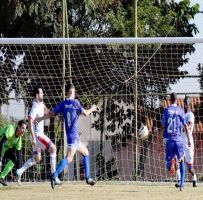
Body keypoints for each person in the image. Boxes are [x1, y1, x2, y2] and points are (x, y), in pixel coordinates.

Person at [36, 83, 97, 189]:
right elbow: (86, 113)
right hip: (73, 136)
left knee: (86, 152)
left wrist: (40, 118)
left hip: (72, 136)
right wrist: (92, 108)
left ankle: (88, 178)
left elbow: (51, 113)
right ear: (72, 92)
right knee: (68, 158)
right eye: (74, 92)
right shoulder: (76, 102)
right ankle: (54, 175)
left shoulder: (63, 104)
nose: (75, 93)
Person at [16, 86, 61, 185]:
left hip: (36, 136)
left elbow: (47, 112)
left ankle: (20, 171)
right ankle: (54, 176)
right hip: (37, 135)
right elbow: (29, 122)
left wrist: (57, 110)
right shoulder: (35, 106)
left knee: (37, 159)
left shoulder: (41, 103)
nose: (43, 94)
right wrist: (34, 138)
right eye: (41, 93)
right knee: (53, 149)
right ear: (37, 95)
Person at [160, 92, 190, 191]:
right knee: (182, 161)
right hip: (178, 140)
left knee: (168, 164)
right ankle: (182, 185)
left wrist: (161, 138)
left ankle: (172, 161)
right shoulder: (181, 111)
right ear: (177, 100)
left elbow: (162, 126)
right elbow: (185, 126)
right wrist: (189, 139)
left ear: (170, 100)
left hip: (169, 141)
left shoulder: (166, 110)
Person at [175, 96, 197, 187]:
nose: (185, 105)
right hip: (180, 141)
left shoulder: (190, 115)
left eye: (186, 103)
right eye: (184, 103)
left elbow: (188, 125)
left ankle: (194, 178)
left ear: (189, 104)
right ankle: (180, 180)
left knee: (190, 168)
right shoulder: (181, 114)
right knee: (177, 160)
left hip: (189, 142)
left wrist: (181, 125)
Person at [0, 120, 27, 186]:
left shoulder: (19, 140)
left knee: (15, 159)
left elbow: (18, 157)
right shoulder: (11, 129)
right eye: (23, 128)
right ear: (18, 127)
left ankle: (1, 177)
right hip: (0, 145)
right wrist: (0, 156)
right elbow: (2, 142)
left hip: (4, 149)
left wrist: (18, 173)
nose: (24, 130)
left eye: (25, 129)